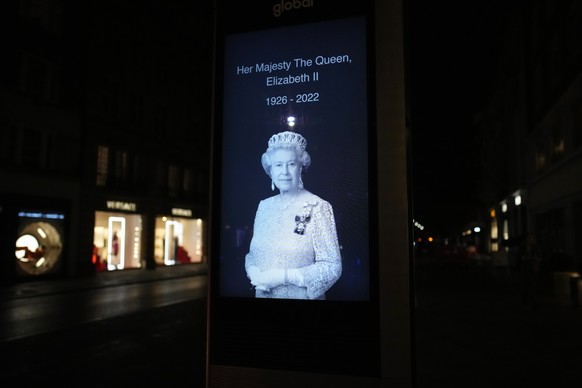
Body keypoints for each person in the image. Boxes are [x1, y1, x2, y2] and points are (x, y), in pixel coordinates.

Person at [244, 131, 342, 300]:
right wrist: (251, 269)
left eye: (291, 164)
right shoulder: (264, 206)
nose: (285, 172)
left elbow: (332, 267)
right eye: (278, 165)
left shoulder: (318, 207)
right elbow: (253, 255)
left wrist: (285, 277)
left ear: (301, 167)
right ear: (270, 171)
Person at [520, 233, 542, 308]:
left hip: (534, 268)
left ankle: (529, 299)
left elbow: (539, 257)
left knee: (532, 284)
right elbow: (521, 257)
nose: (529, 240)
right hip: (526, 268)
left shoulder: (536, 247)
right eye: (528, 238)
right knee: (528, 284)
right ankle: (531, 300)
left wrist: (535, 259)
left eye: (531, 238)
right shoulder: (523, 247)